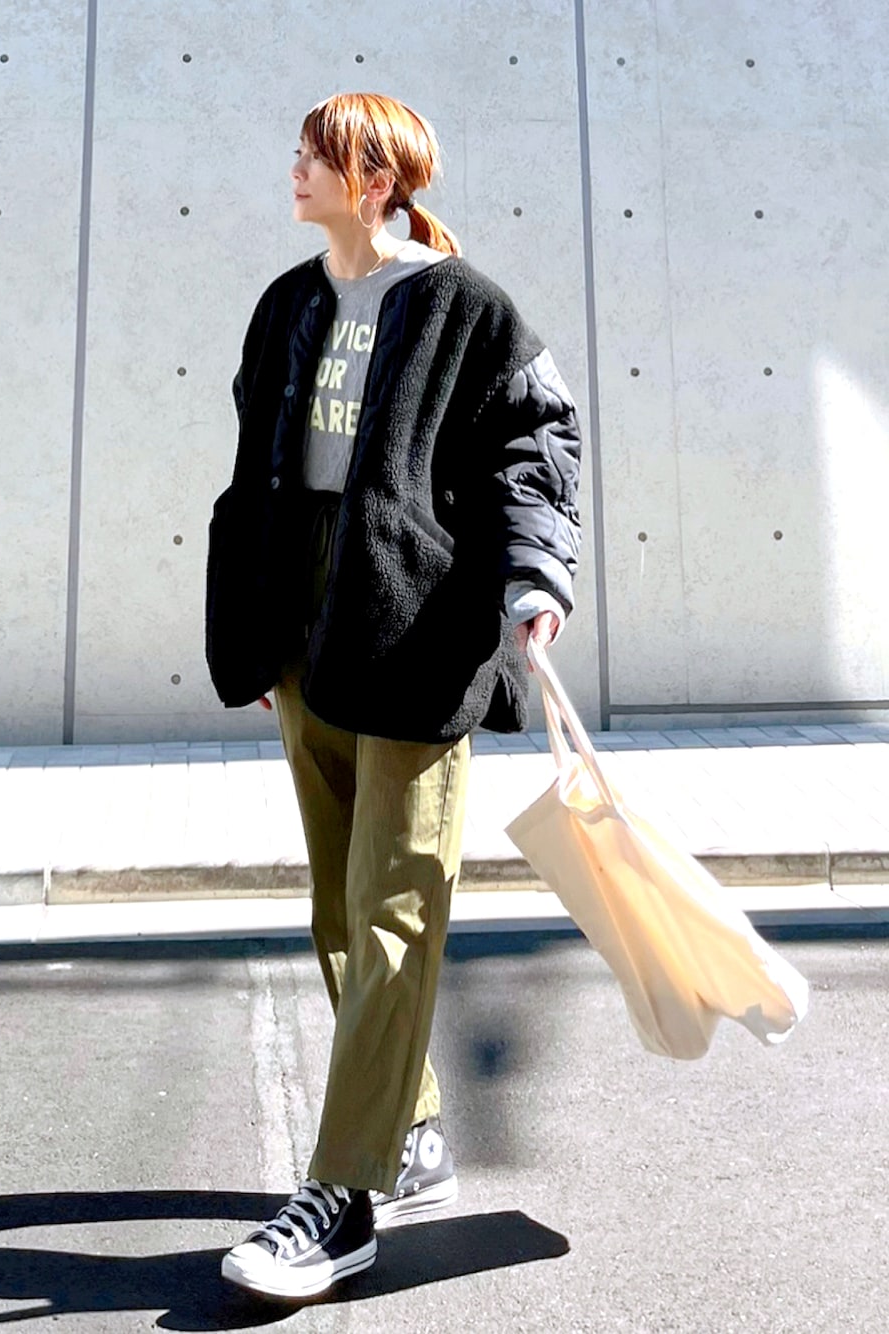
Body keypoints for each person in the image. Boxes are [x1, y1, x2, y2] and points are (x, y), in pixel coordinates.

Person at [206, 91, 582, 1299]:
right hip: (306, 617)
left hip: (416, 617)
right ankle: (409, 1126)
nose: (295, 167)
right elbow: (259, 466)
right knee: (336, 902)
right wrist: (257, 624)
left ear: (374, 179)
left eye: (316, 154)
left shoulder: (464, 305)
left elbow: (535, 445)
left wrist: (534, 580)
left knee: (393, 906)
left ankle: (344, 1191)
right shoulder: (289, 300)